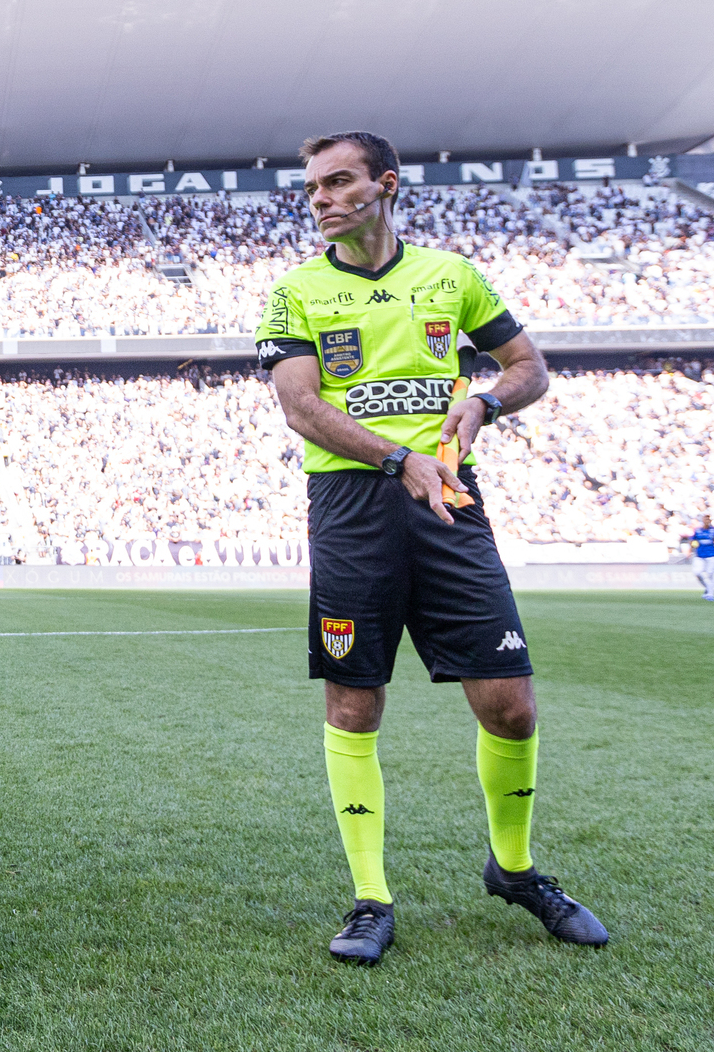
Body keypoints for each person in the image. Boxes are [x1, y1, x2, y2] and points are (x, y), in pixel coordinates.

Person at [255, 130, 608, 966]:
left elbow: (531, 366)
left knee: (510, 703)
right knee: (354, 703)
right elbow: (300, 407)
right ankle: (371, 897)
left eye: (339, 182)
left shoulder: (452, 277)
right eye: (313, 188)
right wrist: (395, 456)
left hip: (451, 503)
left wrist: (484, 401)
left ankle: (514, 869)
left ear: (385, 184)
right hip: (351, 506)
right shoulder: (295, 292)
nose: (322, 199)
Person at [686, 515, 714, 600]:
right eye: (705, 519)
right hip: (699, 555)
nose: (706, 521)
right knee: (697, 572)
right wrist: (689, 550)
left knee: (710, 574)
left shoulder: (712, 530)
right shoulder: (697, 530)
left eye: (708, 519)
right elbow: (692, 541)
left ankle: (710, 594)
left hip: (711, 555)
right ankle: (708, 588)